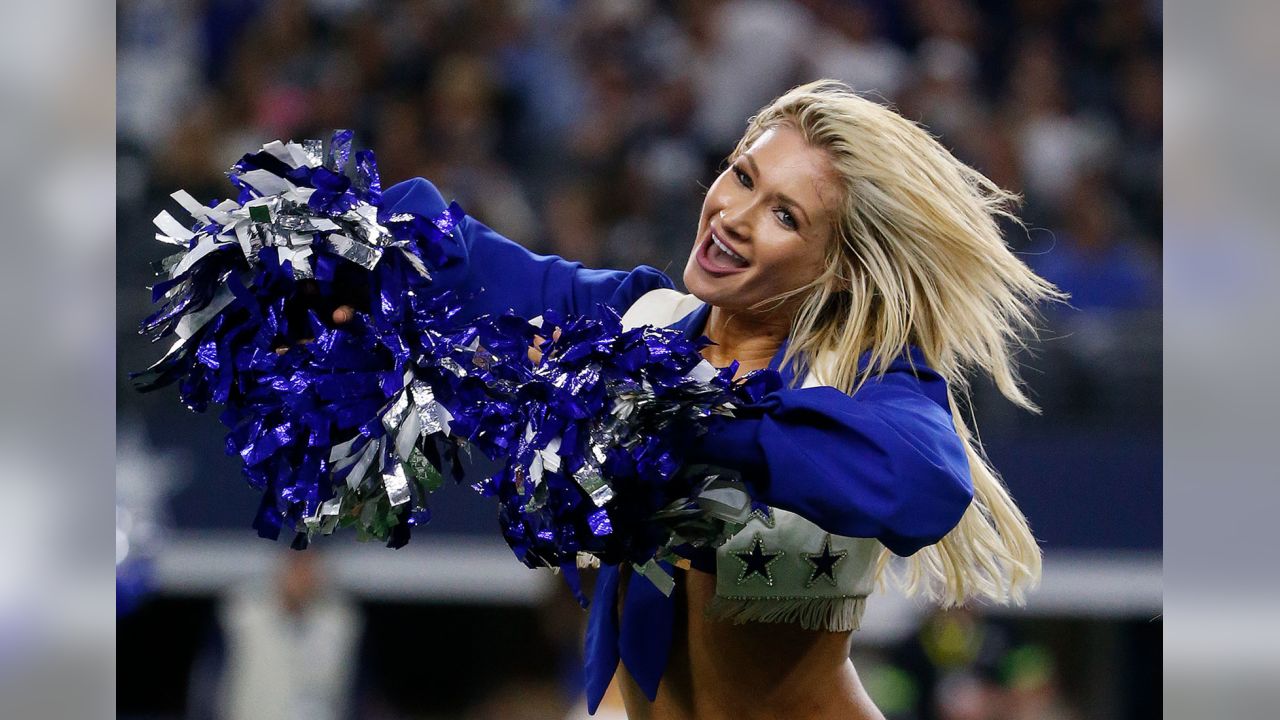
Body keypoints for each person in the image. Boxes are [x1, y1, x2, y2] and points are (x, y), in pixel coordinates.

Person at [328, 80, 1056, 720]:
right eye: (742, 175)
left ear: (838, 269)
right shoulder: (639, 323)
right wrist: (352, 250)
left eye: (785, 215)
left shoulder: (864, 379)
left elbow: (926, 483)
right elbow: (479, 269)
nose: (734, 215)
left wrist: (698, 419)